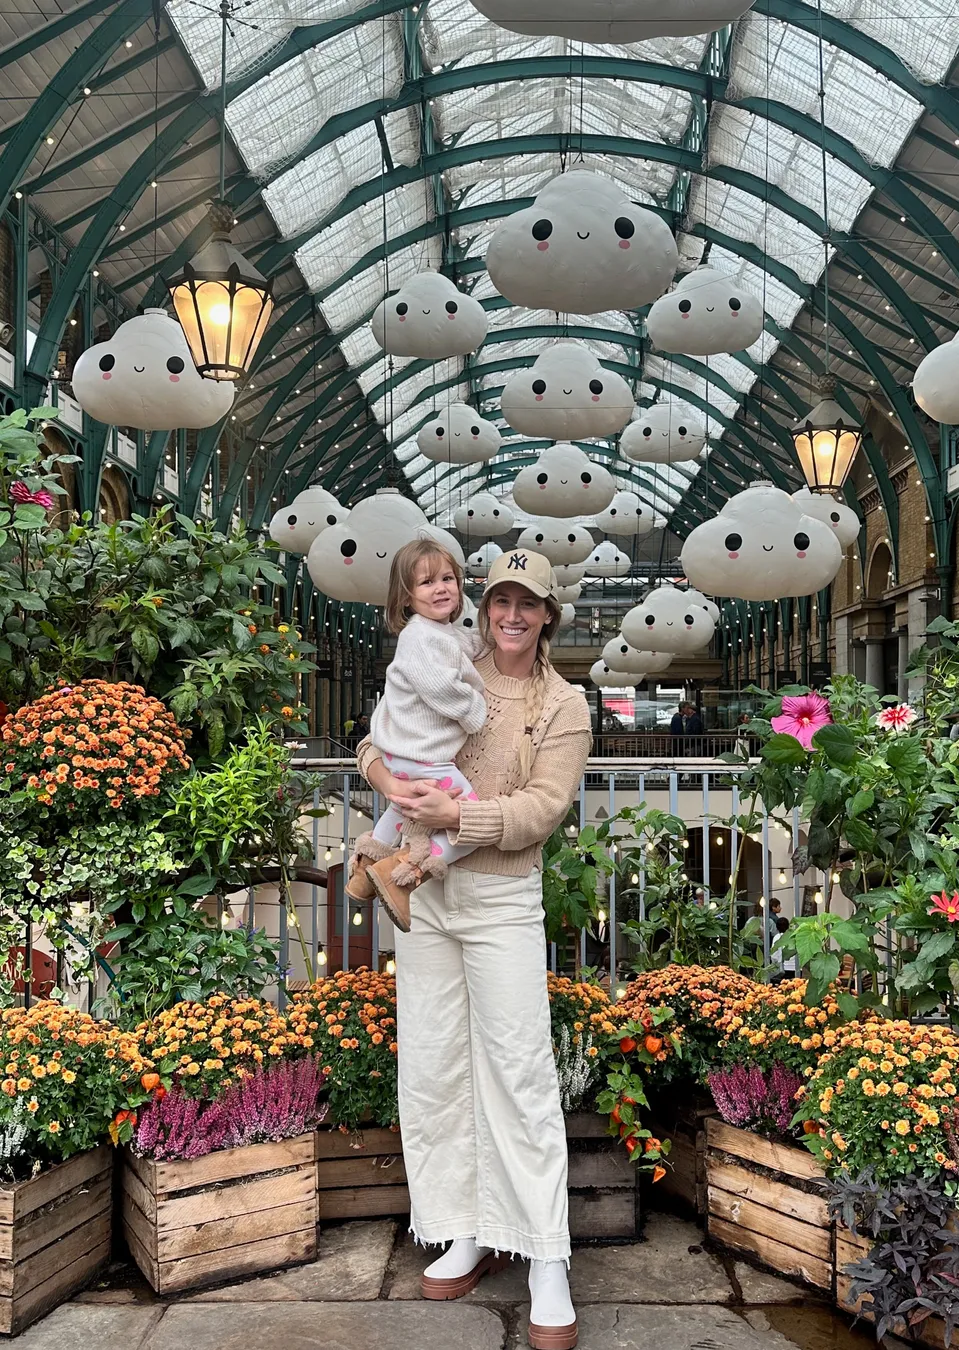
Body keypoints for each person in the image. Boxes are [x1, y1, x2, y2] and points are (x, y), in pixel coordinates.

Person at [355, 548, 592, 1350]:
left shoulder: (563, 705)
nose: (512, 616)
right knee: (436, 1064)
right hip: (423, 893)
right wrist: (387, 783)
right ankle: (463, 1227)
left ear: (548, 614)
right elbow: (378, 738)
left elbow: (541, 810)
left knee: (519, 1071)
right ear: (483, 609)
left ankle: (547, 1256)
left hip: (499, 898)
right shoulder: (445, 655)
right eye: (501, 602)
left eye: (528, 604)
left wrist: (459, 818)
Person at [346, 539, 488, 930]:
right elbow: (442, 688)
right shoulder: (420, 638)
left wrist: (487, 637)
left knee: (401, 808)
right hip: (424, 757)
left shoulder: (437, 632)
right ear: (406, 597)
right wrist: (476, 710)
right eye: (427, 583)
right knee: (471, 823)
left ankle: (365, 871)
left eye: (448, 579)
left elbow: (466, 646)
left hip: (403, 756)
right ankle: (403, 874)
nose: (441, 588)